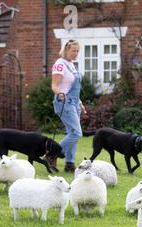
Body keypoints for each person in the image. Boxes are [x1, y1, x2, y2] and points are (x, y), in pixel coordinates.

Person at [51, 39, 86, 172]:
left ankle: (69, 163)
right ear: (66, 50)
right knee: (76, 133)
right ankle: (52, 153)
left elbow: (73, 87)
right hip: (64, 102)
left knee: (72, 133)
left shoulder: (71, 65)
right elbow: (54, 85)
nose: (75, 53)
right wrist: (60, 95)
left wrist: (80, 103)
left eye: (77, 51)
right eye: (73, 50)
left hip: (74, 102)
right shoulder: (60, 64)